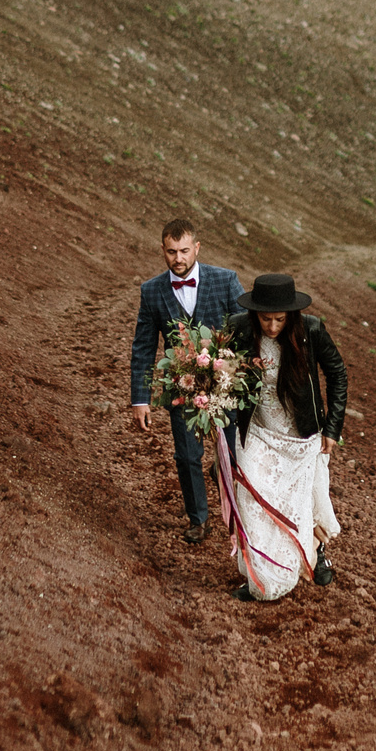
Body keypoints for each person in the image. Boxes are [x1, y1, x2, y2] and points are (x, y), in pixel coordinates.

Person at [218, 272, 347, 602]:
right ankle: (261, 578)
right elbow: (221, 371)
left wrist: (332, 428)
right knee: (252, 500)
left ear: (290, 314)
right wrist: (234, 376)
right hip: (258, 431)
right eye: (265, 319)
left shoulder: (311, 330)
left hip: (300, 435)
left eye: (279, 319)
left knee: (297, 505)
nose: (272, 327)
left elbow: (338, 375)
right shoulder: (239, 328)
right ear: (254, 314)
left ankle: (309, 554)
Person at [129, 218, 243, 544]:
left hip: (225, 380)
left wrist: (239, 367)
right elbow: (143, 348)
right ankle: (199, 519)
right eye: (170, 252)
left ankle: (221, 472)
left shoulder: (226, 280)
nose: (178, 258)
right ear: (163, 251)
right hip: (181, 383)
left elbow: (246, 330)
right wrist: (140, 399)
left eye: (183, 251)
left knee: (235, 453)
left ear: (196, 248)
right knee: (187, 455)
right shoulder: (152, 292)